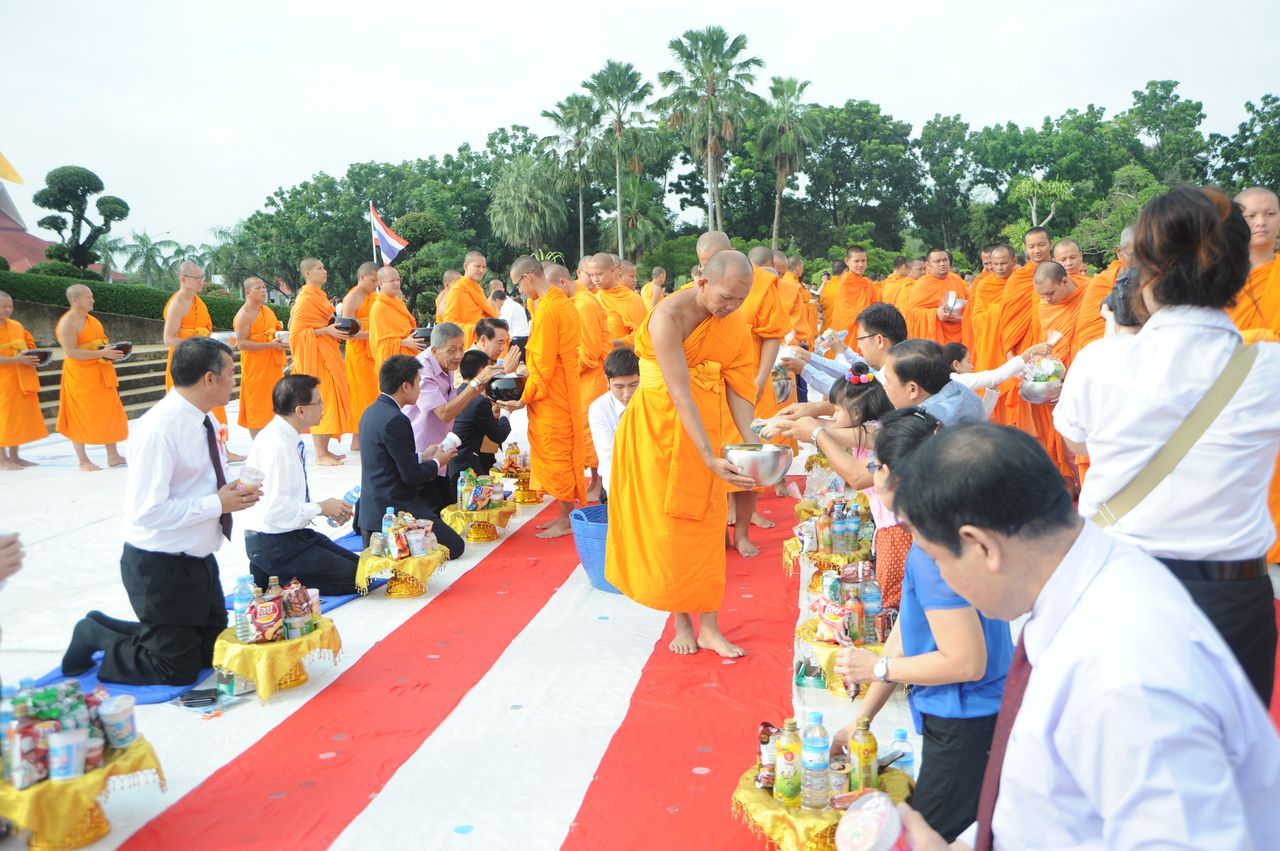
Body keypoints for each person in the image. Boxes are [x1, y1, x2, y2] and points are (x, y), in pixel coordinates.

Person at [888, 424, 1280, 851]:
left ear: (981, 546)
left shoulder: (1124, 670)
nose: (944, 580)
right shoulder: (1083, 587)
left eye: (938, 560)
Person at [1055, 185, 1280, 704]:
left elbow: (1074, 443)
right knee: (1224, 748)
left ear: (1144, 268)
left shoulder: (1100, 362)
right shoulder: (1268, 369)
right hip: (1233, 600)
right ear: (1241, 270)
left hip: (1121, 588)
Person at [833, 408, 1012, 843]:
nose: (870, 474)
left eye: (875, 466)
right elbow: (906, 633)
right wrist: (861, 720)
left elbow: (966, 662)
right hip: (967, 715)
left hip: (967, 719)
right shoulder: (942, 528)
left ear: (894, 475)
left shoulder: (934, 550)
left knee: (930, 835)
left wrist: (877, 668)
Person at [60, 337, 261, 683]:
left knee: (212, 653)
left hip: (197, 559)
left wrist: (235, 492)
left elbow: (203, 478)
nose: (234, 381)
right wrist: (217, 503)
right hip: (159, 564)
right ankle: (94, 634)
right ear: (209, 378)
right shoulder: (159, 429)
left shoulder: (205, 420)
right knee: (175, 669)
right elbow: (147, 511)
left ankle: (133, 630)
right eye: (230, 373)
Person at [605, 249, 758, 658]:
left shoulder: (731, 320)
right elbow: (680, 392)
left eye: (741, 299)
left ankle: (710, 627)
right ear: (702, 282)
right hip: (658, 429)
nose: (732, 307)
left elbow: (738, 383)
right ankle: (682, 622)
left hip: (705, 425)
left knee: (708, 526)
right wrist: (708, 456)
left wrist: (752, 442)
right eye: (726, 297)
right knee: (670, 528)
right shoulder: (667, 316)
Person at [241, 375, 360, 594]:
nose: (323, 408)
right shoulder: (277, 446)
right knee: (358, 580)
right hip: (274, 544)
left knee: (362, 570)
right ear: (300, 411)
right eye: (319, 403)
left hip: (291, 535)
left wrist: (325, 508)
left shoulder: (284, 436)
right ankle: (274, 580)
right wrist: (321, 508)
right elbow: (274, 512)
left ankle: (271, 575)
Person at [356, 355, 464, 558]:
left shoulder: (371, 411)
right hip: (394, 511)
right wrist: (438, 462)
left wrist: (423, 457)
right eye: (418, 383)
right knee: (455, 546)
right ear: (406, 386)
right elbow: (410, 475)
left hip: (371, 512)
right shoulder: (396, 419)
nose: (420, 390)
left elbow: (388, 460)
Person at [509, 257, 585, 538]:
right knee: (560, 449)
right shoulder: (560, 303)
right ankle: (564, 515)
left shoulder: (550, 309)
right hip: (563, 388)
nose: (520, 292)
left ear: (528, 277)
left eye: (518, 285)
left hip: (553, 391)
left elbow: (543, 365)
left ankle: (566, 519)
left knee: (558, 451)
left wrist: (523, 397)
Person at [1229, 187, 1280, 570]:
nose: (1261, 222)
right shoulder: (1218, 281)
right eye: (1249, 216)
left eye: (1270, 214)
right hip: (1231, 402)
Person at [729, 246, 793, 556]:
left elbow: (772, 335)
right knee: (715, 455)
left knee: (749, 454)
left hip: (750, 381)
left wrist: (759, 379)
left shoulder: (761, 286)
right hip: (711, 385)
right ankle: (725, 519)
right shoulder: (696, 289)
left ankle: (743, 529)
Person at [163, 261, 238, 458]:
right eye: (198, 278)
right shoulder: (178, 303)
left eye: (202, 277)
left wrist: (214, 343)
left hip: (204, 359)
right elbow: (168, 339)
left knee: (214, 403)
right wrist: (199, 344)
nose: (202, 281)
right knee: (189, 409)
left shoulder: (198, 302)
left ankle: (222, 449)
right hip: (186, 362)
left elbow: (205, 332)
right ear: (183, 279)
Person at [54, 284, 128, 471]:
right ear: (75, 300)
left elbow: (99, 345)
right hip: (80, 376)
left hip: (101, 373)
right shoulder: (67, 323)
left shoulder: (93, 321)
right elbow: (71, 352)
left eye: (92, 296)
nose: (92, 300)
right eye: (88, 297)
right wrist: (102, 353)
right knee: (79, 414)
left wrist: (111, 351)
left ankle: (113, 455)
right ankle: (83, 460)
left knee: (109, 412)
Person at [288, 258, 353, 466]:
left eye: (324, 268)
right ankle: (319, 453)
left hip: (327, 353)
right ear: (307, 274)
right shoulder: (305, 299)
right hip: (314, 357)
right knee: (320, 401)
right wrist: (326, 331)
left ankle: (325, 449)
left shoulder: (320, 296)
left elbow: (322, 324)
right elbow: (296, 334)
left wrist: (335, 329)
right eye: (319, 268)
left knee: (331, 400)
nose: (324, 271)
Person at [406, 322, 499, 461]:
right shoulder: (422, 370)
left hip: (443, 444)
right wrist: (475, 383)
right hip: (423, 449)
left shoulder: (445, 362)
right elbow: (444, 414)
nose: (459, 356)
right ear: (434, 351)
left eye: (461, 348)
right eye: (452, 350)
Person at [1030, 260, 1085, 485]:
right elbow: (1045, 342)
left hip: (1085, 374)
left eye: (1050, 293)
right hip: (1059, 378)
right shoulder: (1043, 306)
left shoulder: (1089, 295)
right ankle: (1076, 482)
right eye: (1041, 295)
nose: (1046, 299)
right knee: (1067, 432)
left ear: (1065, 281)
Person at [993, 228, 1052, 433]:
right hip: (1026, 351)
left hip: (1054, 347)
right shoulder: (1018, 279)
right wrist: (1010, 353)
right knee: (1029, 407)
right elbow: (1007, 320)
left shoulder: (1059, 273)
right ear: (1025, 249)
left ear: (1050, 244)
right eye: (1032, 246)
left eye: (1041, 244)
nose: (1037, 250)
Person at [882, 339, 985, 426]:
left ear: (912, 389)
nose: (885, 386)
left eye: (888, 381)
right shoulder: (967, 394)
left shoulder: (920, 427)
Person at [232, 277, 287, 437]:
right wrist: (270, 345)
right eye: (258, 288)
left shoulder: (267, 311)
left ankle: (275, 441)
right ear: (248, 292)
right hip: (255, 369)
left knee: (274, 404)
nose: (263, 290)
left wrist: (281, 342)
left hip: (272, 366)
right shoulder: (243, 315)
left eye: (264, 287)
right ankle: (258, 444)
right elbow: (241, 344)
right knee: (257, 407)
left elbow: (272, 333)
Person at [0, 291, 48, 469]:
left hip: (19, 379)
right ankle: (2, 459)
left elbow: (27, 345)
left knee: (17, 418)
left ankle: (15, 456)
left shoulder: (16, 325)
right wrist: (16, 359)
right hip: (3, 380)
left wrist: (34, 356)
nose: (7, 310)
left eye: (10, 306)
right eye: (3, 307)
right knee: (3, 418)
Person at [941, 340, 1049, 418]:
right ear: (956, 365)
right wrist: (1030, 352)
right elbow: (997, 376)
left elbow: (980, 418)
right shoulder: (956, 381)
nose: (972, 366)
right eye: (968, 361)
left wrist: (991, 390)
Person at [449, 351, 513, 480]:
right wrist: (506, 411)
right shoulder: (479, 402)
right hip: (466, 468)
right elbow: (499, 435)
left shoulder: (454, 394)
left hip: (450, 465)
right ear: (481, 371)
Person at [1074, 226, 1134, 358]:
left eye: (1150, 254)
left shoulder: (1159, 284)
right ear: (1119, 252)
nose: (1144, 261)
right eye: (1135, 255)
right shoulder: (1101, 283)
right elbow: (1088, 334)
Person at [587, 347, 641, 496]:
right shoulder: (599, 409)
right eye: (619, 387)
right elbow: (608, 459)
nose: (627, 394)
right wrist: (618, 498)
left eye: (633, 385)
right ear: (607, 381)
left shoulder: (653, 402)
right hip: (616, 483)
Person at [340, 262, 380, 444]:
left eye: (377, 281)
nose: (375, 284)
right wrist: (374, 334)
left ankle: (367, 437)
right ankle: (358, 439)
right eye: (373, 280)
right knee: (361, 395)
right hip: (359, 356)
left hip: (374, 352)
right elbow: (347, 333)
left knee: (375, 394)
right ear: (362, 277)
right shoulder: (352, 298)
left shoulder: (375, 297)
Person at [903, 248, 968, 346]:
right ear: (927, 265)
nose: (942, 264)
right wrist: (935, 313)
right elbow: (911, 314)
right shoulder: (922, 285)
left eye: (945, 260)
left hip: (960, 337)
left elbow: (971, 303)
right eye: (937, 261)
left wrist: (964, 313)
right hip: (936, 342)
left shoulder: (957, 280)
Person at [369, 265, 426, 368]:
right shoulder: (379, 308)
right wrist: (404, 343)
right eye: (392, 280)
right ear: (381, 283)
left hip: (409, 356)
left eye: (398, 280)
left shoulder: (399, 303)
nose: (396, 283)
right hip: (393, 364)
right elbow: (381, 344)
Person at [442, 251, 498, 348]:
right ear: (466, 266)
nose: (481, 270)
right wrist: (474, 328)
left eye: (484, 267)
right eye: (477, 266)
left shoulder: (478, 290)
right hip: (469, 343)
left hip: (483, 340)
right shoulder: (457, 290)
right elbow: (449, 323)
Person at [590, 253, 646, 348]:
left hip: (623, 355)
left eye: (599, 274)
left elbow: (641, 335)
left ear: (612, 270)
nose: (595, 279)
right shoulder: (593, 299)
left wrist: (611, 343)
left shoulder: (630, 298)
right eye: (592, 275)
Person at [822, 245, 879, 338]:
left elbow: (874, 308)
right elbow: (847, 316)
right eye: (856, 261)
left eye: (863, 261)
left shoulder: (867, 283)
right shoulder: (845, 283)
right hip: (849, 334)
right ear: (847, 261)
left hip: (867, 331)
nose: (860, 265)